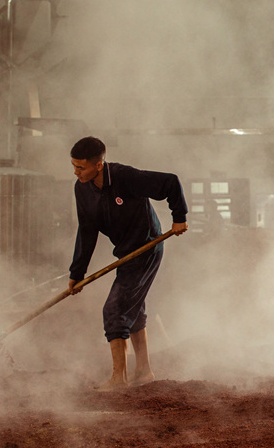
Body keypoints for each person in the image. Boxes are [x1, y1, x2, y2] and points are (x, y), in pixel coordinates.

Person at [67, 136, 188, 391]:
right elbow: (87, 230)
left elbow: (170, 182)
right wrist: (77, 273)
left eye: (81, 167)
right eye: (74, 166)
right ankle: (143, 371)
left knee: (114, 309)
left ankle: (118, 380)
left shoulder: (125, 177)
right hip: (126, 254)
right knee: (132, 309)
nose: (76, 172)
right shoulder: (82, 189)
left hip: (147, 247)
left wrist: (179, 217)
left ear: (98, 165)